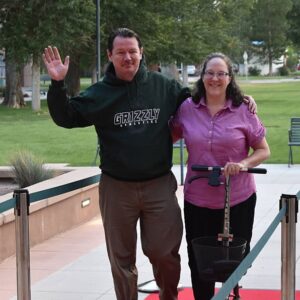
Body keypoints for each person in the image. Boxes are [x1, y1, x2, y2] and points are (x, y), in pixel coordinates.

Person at [42, 27, 256, 299]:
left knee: (163, 252)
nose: (128, 57)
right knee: (121, 258)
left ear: (141, 53)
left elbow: (202, 100)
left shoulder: (162, 87)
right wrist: (57, 84)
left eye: (133, 51)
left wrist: (240, 100)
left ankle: (169, 295)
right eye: (121, 52)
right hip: (117, 188)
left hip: (157, 185)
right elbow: (67, 116)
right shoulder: (99, 94)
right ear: (110, 55)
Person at [169, 52, 270, 300]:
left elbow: (263, 150)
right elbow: (168, 137)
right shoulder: (187, 108)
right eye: (210, 73)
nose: (215, 78)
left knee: (235, 260)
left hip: (237, 198)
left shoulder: (244, 109)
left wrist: (243, 163)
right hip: (198, 200)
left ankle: (229, 294)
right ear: (202, 76)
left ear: (229, 77)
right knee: (199, 261)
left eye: (221, 73)